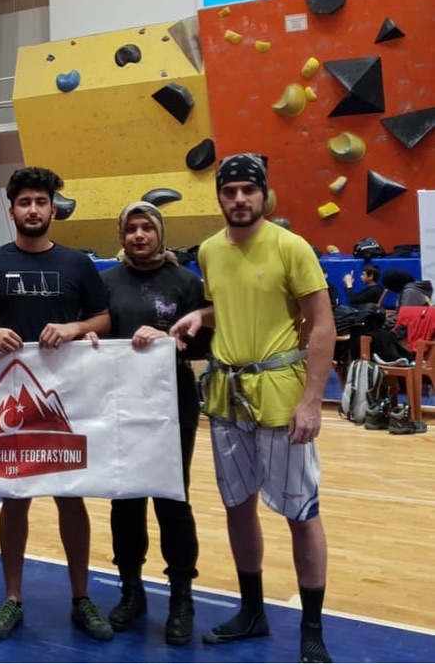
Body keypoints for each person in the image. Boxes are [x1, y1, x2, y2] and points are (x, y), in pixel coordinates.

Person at [169, 154, 336, 664]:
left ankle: (312, 628)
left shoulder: (291, 246)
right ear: (219, 196)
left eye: (248, 190)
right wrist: (200, 315)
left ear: (264, 194)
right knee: (238, 507)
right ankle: (252, 611)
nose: (239, 199)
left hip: (282, 399)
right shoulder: (209, 251)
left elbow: (322, 325)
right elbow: (232, 304)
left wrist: (312, 401)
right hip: (227, 399)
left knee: (301, 513)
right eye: (230, 191)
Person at [0, 166, 113, 643]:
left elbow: (104, 318)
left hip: (66, 397)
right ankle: (12, 598)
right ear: (12, 211)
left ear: (53, 209)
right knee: (14, 497)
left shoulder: (77, 264)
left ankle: (81, 598)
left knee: (71, 496)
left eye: (41, 202)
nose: (33, 209)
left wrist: (75, 328)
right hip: (11, 397)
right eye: (25, 202)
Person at [99, 201, 207, 645]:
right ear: (121, 235)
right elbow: (96, 335)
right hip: (120, 403)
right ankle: (131, 592)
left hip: (172, 403)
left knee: (172, 499)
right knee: (125, 499)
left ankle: (181, 597)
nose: (139, 235)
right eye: (131, 229)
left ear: (160, 233)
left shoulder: (186, 282)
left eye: (147, 227)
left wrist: (170, 340)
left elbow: (204, 345)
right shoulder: (106, 282)